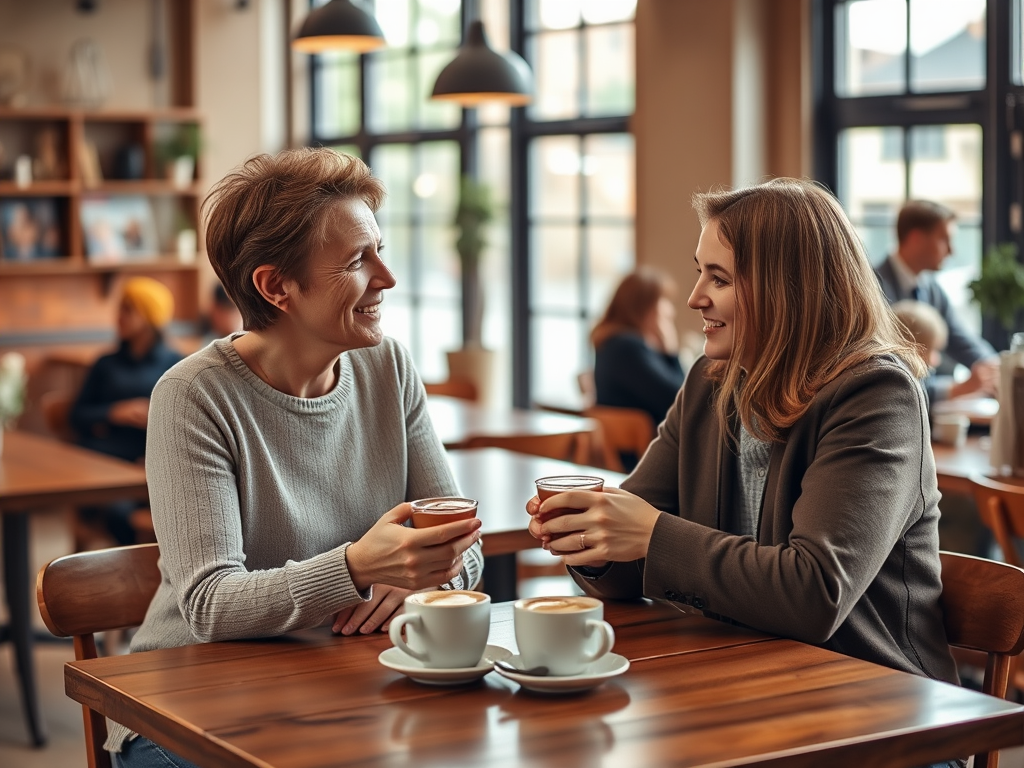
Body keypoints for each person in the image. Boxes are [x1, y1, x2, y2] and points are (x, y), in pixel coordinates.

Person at [108, 148, 484, 768]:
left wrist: (420, 577)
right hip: (186, 704)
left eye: (380, 250)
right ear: (276, 286)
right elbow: (208, 602)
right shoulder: (192, 395)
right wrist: (359, 568)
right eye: (358, 261)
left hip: (341, 683)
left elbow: (461, 540)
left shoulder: (387, 367)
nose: (387, 278)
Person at [527, 179, 960, 701]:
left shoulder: (876, 395)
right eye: (698, 272)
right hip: (747, 683)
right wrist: (594, 543)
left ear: (786, 288)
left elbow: (813, 593)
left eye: (720, 278)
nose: (695, 297)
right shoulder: (711, 385)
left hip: (874, 706)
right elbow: (637, 552)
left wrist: (649, 534)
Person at [69, 276, 183, 546]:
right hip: (106, 464)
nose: (118, 316)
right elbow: (76, 416)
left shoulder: (177, 364)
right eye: (119, 307)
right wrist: (113, 412)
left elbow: (185, 422)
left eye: (128, 309)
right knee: (119, 513)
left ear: (149, 316)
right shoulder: (105, 364)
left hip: (155, 463)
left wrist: (155, 423)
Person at [875, 200, 998, 400]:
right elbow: (886, 375)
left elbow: (962, 340)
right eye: (944, 239)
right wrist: (954, 388)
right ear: (916, 239)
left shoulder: (931, 288)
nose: (952, 251)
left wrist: (996, 369)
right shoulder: (874, 289)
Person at [591, 266, 686, 430]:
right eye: (664, 300)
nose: (671, 311)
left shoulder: (614, 343)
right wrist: (671, 353)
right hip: (643, 452)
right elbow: (682, 401)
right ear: (645, 306)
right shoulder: (627, 348)